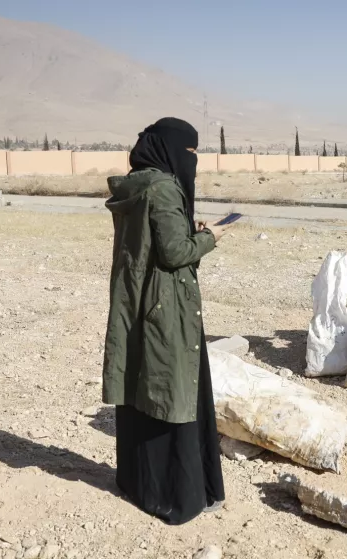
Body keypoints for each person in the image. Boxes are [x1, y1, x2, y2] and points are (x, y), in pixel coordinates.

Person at [102, 117, 234, 525]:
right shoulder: (163, 187)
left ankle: (140, 484)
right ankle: (179, 496)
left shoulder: (137, 183)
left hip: (138, 301)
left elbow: (157, 239)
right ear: (171, 150)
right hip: (166, 307)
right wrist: (211, 237)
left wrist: (186, 228)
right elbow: (176, 253)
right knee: (175, 390)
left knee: (143, 388)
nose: (192, 161)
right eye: (190, 153)